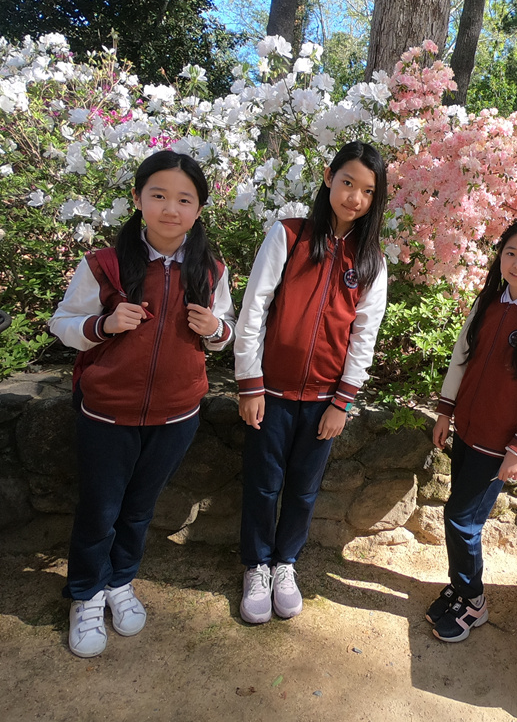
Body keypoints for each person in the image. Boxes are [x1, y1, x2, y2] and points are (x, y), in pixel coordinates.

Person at [49, 150, 235, 658]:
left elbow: (226, 333)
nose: (171, 209)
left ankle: (119, 581)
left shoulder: (211, 269)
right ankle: (86, 594)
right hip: (107, 413)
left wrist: (215, 329)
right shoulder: (105, 264)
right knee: (100, 511)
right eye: (158, 195)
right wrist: (104, 325)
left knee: (138, 510)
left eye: (184, 200)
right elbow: (63, 323)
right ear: (137, 199)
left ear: (199, 209)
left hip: (177, 415)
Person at [234, 141, 388, 624]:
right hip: (271, 394)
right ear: (328, 178)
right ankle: (257, 566)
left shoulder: (371, 260)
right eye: (348, 183)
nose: (355, 198)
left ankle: (285, 563)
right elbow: (254, 308)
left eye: (368, 190)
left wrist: (343, 402)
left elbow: (364, 335)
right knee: (263, 485)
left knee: (303, 489)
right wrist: (249, 383)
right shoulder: (289, 235)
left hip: (324, 400)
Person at [428, 218, 517, 643]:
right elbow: (461, 357)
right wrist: (445, 412)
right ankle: (459, 587)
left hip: (497, 444)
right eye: (510, 253)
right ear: (500, 256)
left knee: (462, 520)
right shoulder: (487, 303)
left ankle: (474, 601)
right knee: (459, 515)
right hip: (467, 431)